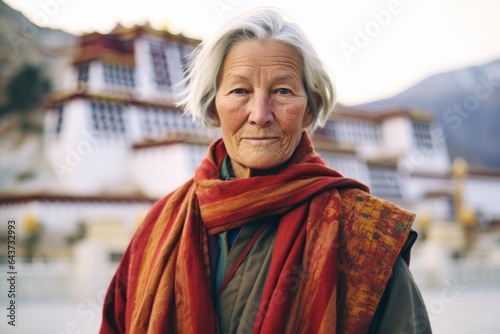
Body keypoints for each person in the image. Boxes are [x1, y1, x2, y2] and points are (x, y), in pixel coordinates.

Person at [100, 7, 431, 334]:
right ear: (213, 106)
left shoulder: (361, 234)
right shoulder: (161, 227)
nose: (260, 114)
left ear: (309, 108)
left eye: (282, 91)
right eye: (240, 90)